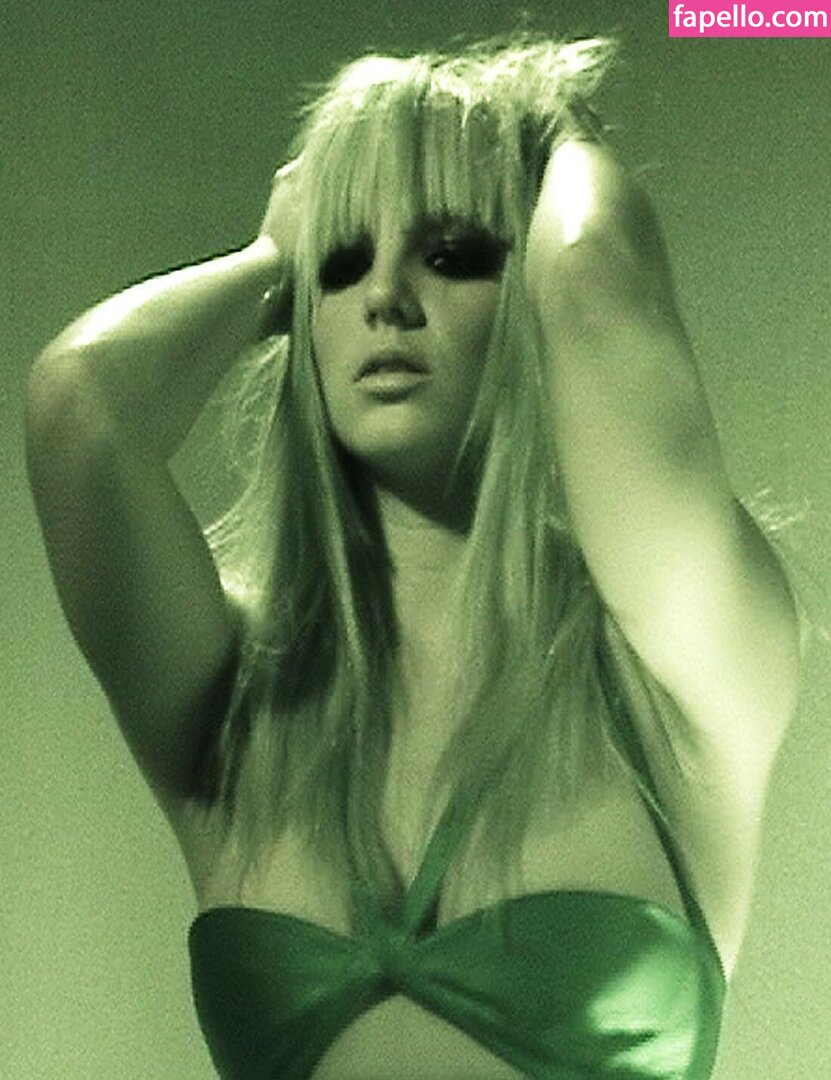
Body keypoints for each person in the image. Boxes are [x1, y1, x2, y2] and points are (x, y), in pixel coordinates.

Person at [25, 33, 801, 1080]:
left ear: (527, 291)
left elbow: (593, 281)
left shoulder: (664, 669)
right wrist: (272, 260)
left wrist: (555, 127)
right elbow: (83, 408)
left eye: (452, 254)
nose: (385, 298)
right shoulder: (239, 702)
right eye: (342, 264)